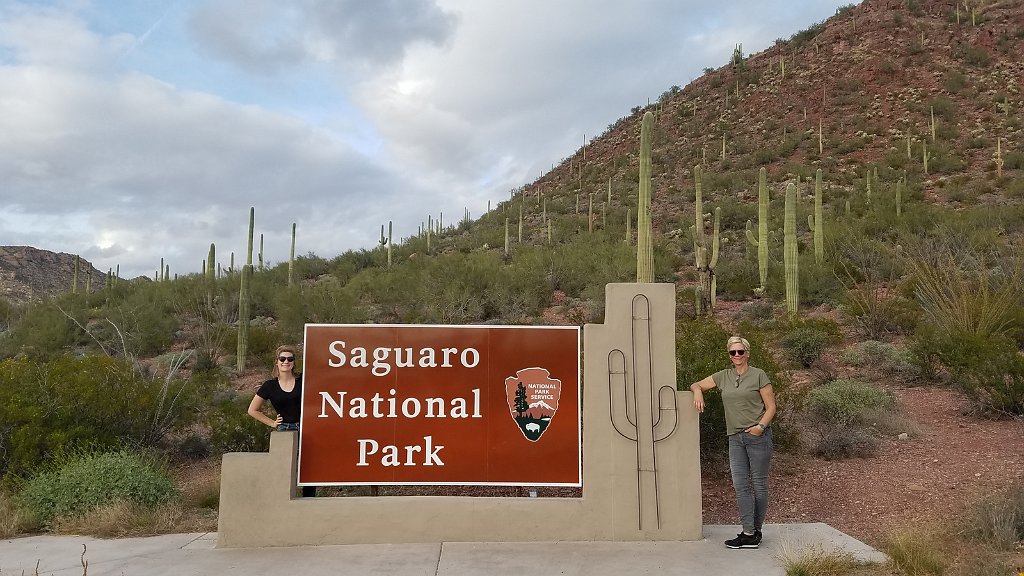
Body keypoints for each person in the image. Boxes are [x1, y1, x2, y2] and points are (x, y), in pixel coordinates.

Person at [690, 335, 776, 549]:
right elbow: (696, 384)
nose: (737, 355)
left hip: (758, 437)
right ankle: (749, 532)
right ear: (729, 355)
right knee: (740, 485)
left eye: (740, 351)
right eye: (733, 352)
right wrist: (698, 391)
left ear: (747, 353)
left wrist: (760, 427)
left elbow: (771, 407)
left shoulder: (759, 375)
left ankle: (754, 531)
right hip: (735, 438)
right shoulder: (723, 376)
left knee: (759, 484)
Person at [247, 344, 315, 497]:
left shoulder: (302, 380)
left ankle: (309, 500)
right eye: (282, 358)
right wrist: (272, 423)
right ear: (276, 362)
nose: (286, 361)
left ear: (294, 362)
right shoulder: (269, 386)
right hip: (284, 429)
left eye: (290, 359)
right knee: (285, 468)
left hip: (306, 428)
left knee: (308, 466)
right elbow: (252, 410)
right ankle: (284, 500)